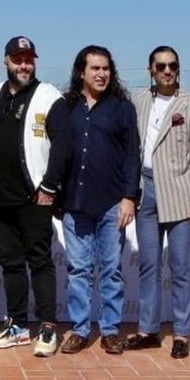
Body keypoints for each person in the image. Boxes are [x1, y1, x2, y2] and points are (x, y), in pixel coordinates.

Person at [38, 45, 139, 355]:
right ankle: (80, 329)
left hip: (111, 202)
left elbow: (132, 156)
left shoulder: (122, 107)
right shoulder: (63, 107)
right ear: (81, 72)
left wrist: (129, 198)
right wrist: (50, 190)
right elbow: (54, 151)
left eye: (106, 68)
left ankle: (109, 330)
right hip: (74, 203)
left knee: (111, 270)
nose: (101, 74)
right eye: (95, 68)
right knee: (79, 270)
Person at [126, 46, 190, 359]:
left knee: (180, 268)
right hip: (145, 190)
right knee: (148, 265)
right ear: (150, 68)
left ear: (178, 69)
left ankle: (181, 332)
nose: (166, 71)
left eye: (172, 65)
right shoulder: (138, 100)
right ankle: (148, 329)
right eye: (160, 65)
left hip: (178, 192)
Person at [0, 35, 63, 355]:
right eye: (18, 59)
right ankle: (16, 325)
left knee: (40, 261)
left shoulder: (49, 95)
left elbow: (62, 147)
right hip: (1, 196)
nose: (24, 65)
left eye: (29, 59)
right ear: (6, 61)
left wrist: (49, 188)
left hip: (35, 196)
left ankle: (47, 328)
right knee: (11, 263)